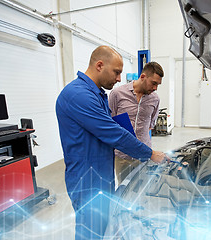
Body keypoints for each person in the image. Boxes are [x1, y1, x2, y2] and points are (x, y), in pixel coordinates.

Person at [55, 46, 168, 240]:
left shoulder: (97, 94)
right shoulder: (78, 95)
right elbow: (114, 133)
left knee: (102, 227)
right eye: (116, 72)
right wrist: (150, 153)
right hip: (87, 178)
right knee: (90, 231)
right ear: (100, 65)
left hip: (101, 172)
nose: (118, 79)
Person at [109, 61, 164, 186]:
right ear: (143, 77)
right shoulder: (117, 94)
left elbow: (151, 124)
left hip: (144, 156)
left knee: (144, 191)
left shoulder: (155, 99)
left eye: (158, 85)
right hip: (122, 156)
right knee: (124, 190)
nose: (155, 88)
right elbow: (110, 123)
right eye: (154, 83)